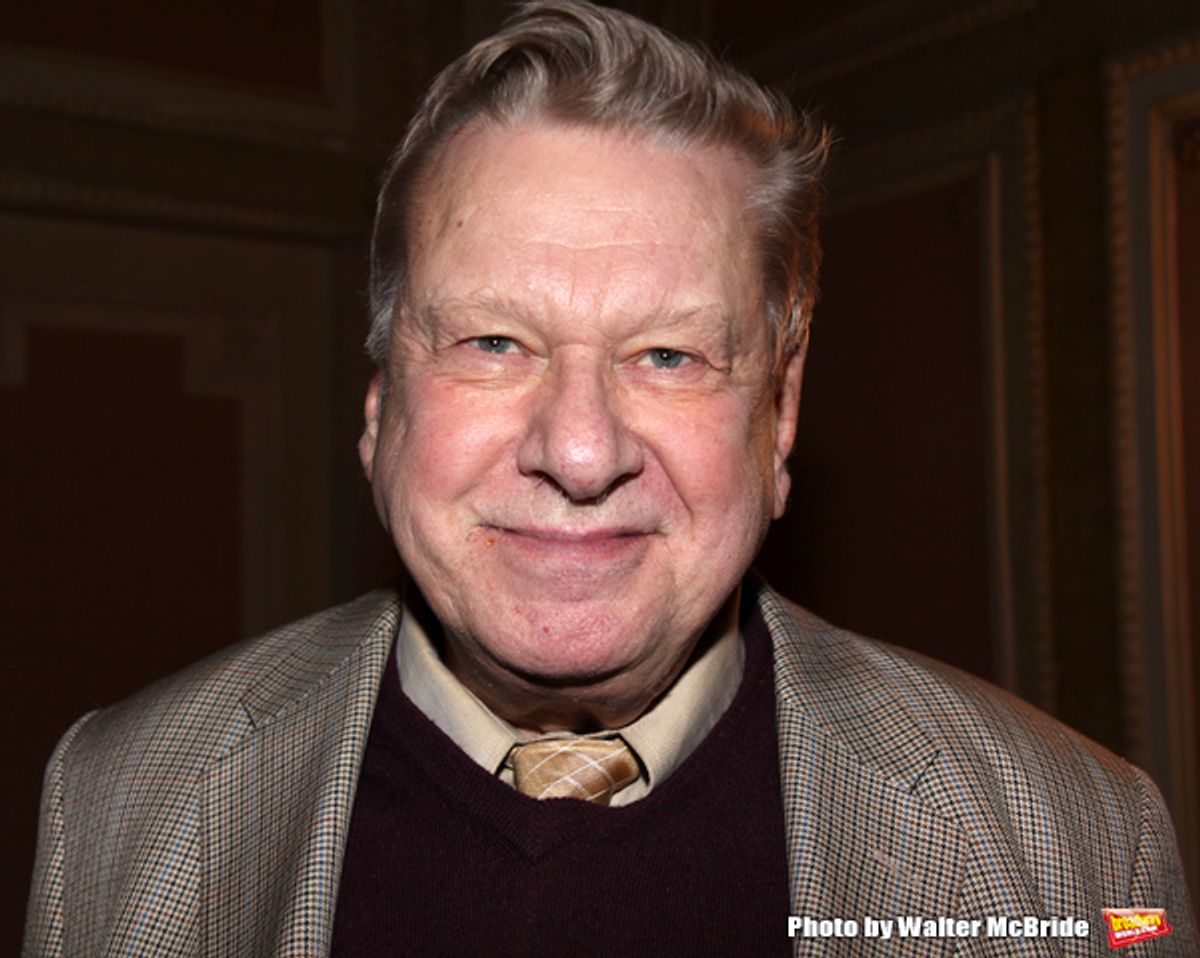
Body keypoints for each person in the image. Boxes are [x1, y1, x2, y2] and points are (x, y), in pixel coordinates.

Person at [23, 2, 1198, 955]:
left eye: (669, 355)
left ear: (780, 415)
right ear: (380, 403)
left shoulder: (1082, 848)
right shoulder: (119, 799)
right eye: (493, 342)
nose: (581, 452)